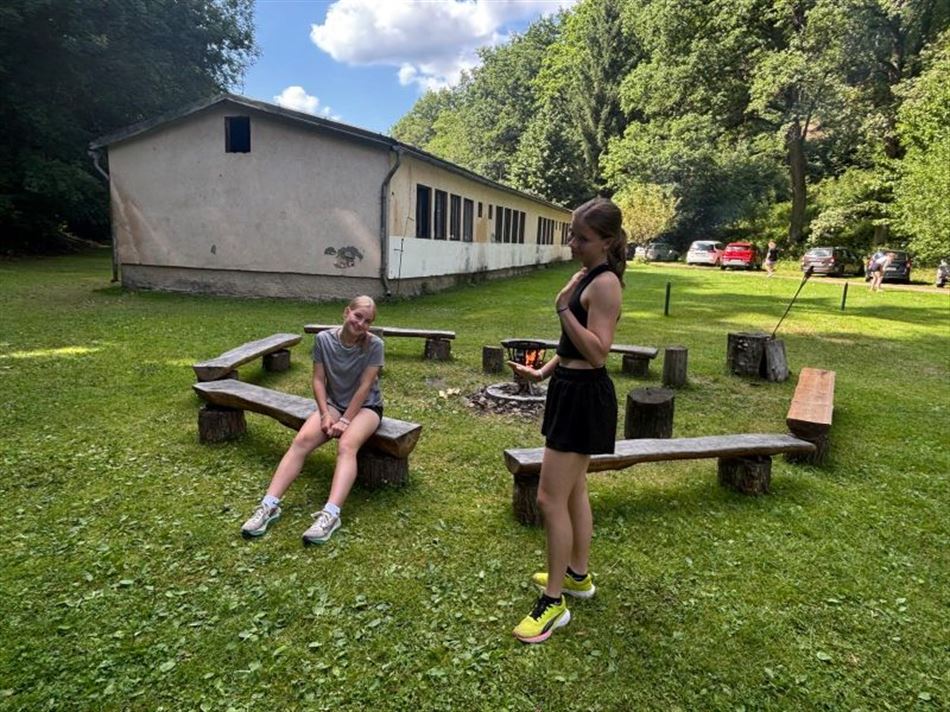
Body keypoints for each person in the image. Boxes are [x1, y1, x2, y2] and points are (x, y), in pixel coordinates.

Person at [507, 197, 625, 644]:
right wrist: (542, 373)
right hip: (568, 389)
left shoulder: (606, 283)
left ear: (607, 241)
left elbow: (598, 351)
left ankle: (554, 603)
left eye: (582, 237)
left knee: (548, 499)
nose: (573, 242)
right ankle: (577, 575)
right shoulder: (586, 274)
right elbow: (572, 345)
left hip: (584, 397)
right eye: (572, 233)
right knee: (574, 490)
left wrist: (561, 307)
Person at [240, 295, 384, 544]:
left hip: (367, 407)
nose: (360, 324)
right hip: (334, 403)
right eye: (357, 316)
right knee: (301, 441)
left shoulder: (375, 345)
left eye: (367, 321)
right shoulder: (323, 340)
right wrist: (326, 414)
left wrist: (345, 421)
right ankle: (269, 506)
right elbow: (318, 379)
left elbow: (365, 386)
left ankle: (331, 515)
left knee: (346, 445)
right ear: (346, 312)